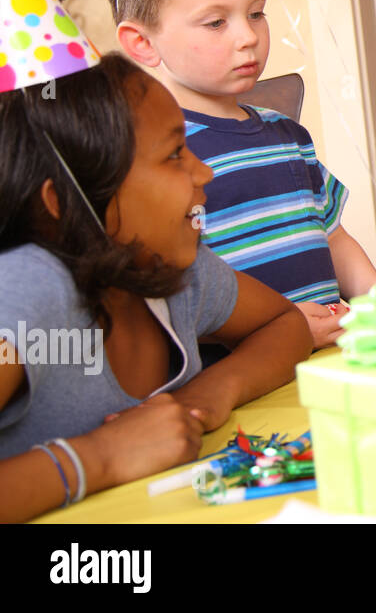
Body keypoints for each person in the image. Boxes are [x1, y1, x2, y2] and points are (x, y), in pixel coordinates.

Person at [0, 54, 312, 522]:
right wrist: (99, 457)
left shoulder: (168, 272)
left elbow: (286, 323)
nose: (204, 173)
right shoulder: (25, 287)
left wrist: (203, 398)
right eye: (173, 154)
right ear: (65, 202)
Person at [92, 0, 376, 349]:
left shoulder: (288, 136)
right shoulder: (148, 162)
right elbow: (159, 300)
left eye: (256, 13)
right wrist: (276, 328)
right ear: (142, 43)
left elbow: (332, 235)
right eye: (216, 22)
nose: (248, 37)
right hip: (239, 387)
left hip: (330, 365)